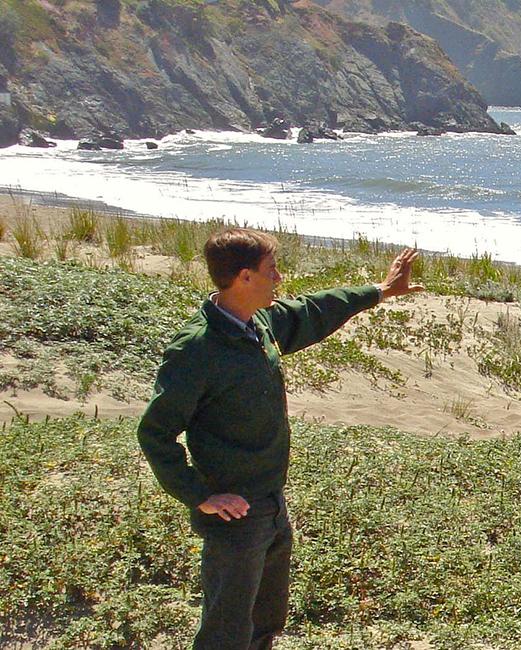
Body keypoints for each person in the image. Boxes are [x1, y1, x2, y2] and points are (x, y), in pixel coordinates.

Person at [137, 228, 425, 649]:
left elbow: (311, 311)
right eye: (271, 270)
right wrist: (200, 495)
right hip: (234, 514)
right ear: (244, 277)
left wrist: (377, 292)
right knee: (226, 632)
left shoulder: (258, 321)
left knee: (265, 621)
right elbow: (155, 432)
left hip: (271, 501)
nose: (280, 277)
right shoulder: (196, 350)